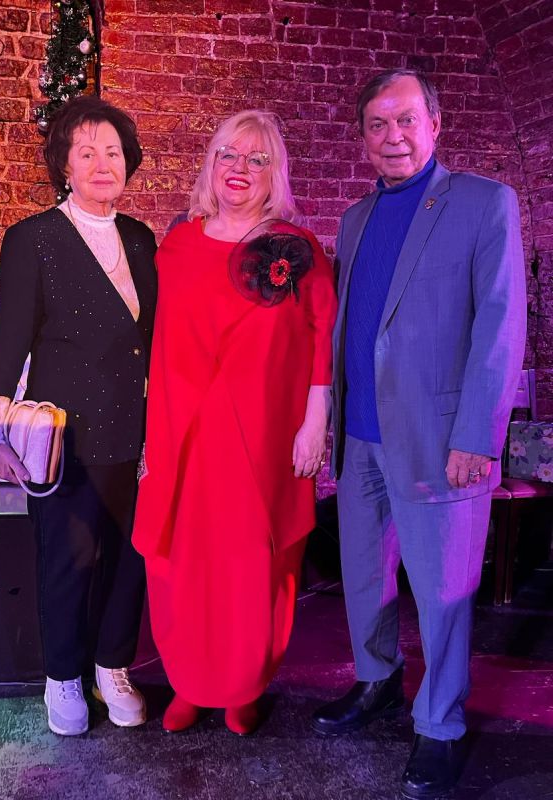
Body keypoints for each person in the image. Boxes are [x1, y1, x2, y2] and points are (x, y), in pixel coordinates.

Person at [311, 70, 526, 799]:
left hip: (442, 440)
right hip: (361, 437)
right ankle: (377, 681)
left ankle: (440, 725)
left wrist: (479, 435)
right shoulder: (354, 219)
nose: (392, 136)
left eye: (406, 120)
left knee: (443, 593)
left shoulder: (485, 202)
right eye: (377, 124)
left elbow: (501, 324)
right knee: (365, 578)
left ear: (436, 123)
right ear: (362, 137)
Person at [132, 109, 337, 735]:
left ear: (275, 173)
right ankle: (190, 684)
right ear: (211, 164)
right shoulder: (177, 246)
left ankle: (244, 686)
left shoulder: (296, 250)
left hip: (262, 436)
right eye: (228, 154)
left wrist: (315, 422)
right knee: (183, 566)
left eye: (257, 159)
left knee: (252, 567)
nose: (239, 168)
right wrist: (149, 432)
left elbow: (322, 338)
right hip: (186, 434)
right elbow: (157, 343)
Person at [0, 95, 157, 736]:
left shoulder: (141, 239)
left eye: (113, 152)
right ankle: (63, 677)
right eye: (87, 153)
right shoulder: (34, 239)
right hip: (66, 437)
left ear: (128, 162)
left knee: (130, 559)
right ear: (65, 166)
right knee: (67, 560)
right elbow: (8, 336)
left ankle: (113, 667)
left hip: (136, 433)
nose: (103, 164)